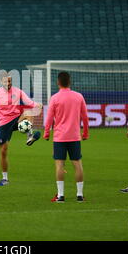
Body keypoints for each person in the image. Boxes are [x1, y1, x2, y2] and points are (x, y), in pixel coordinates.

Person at [0, 72, 42, 186]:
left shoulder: (18, 91)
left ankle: (30, 136)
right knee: (3, 151)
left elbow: (29, 102)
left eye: (9, 81)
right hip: (3, 123)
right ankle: (5, 179)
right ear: (1, 82)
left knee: (28, 112)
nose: (8, 83)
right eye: (5, 81)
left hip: (16, 119)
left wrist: (37, 105)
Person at [44, 71, 89, 202]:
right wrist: (85, 132)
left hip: (60, 137)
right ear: (70, 82)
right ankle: (80, 195)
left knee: (59, 165)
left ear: (58, 82)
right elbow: (85, 117)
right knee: (77, 164)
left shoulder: (54, 98)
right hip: (75, 136)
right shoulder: (78, 96)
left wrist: (46, 133)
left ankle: (61, 195)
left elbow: (49, 118)